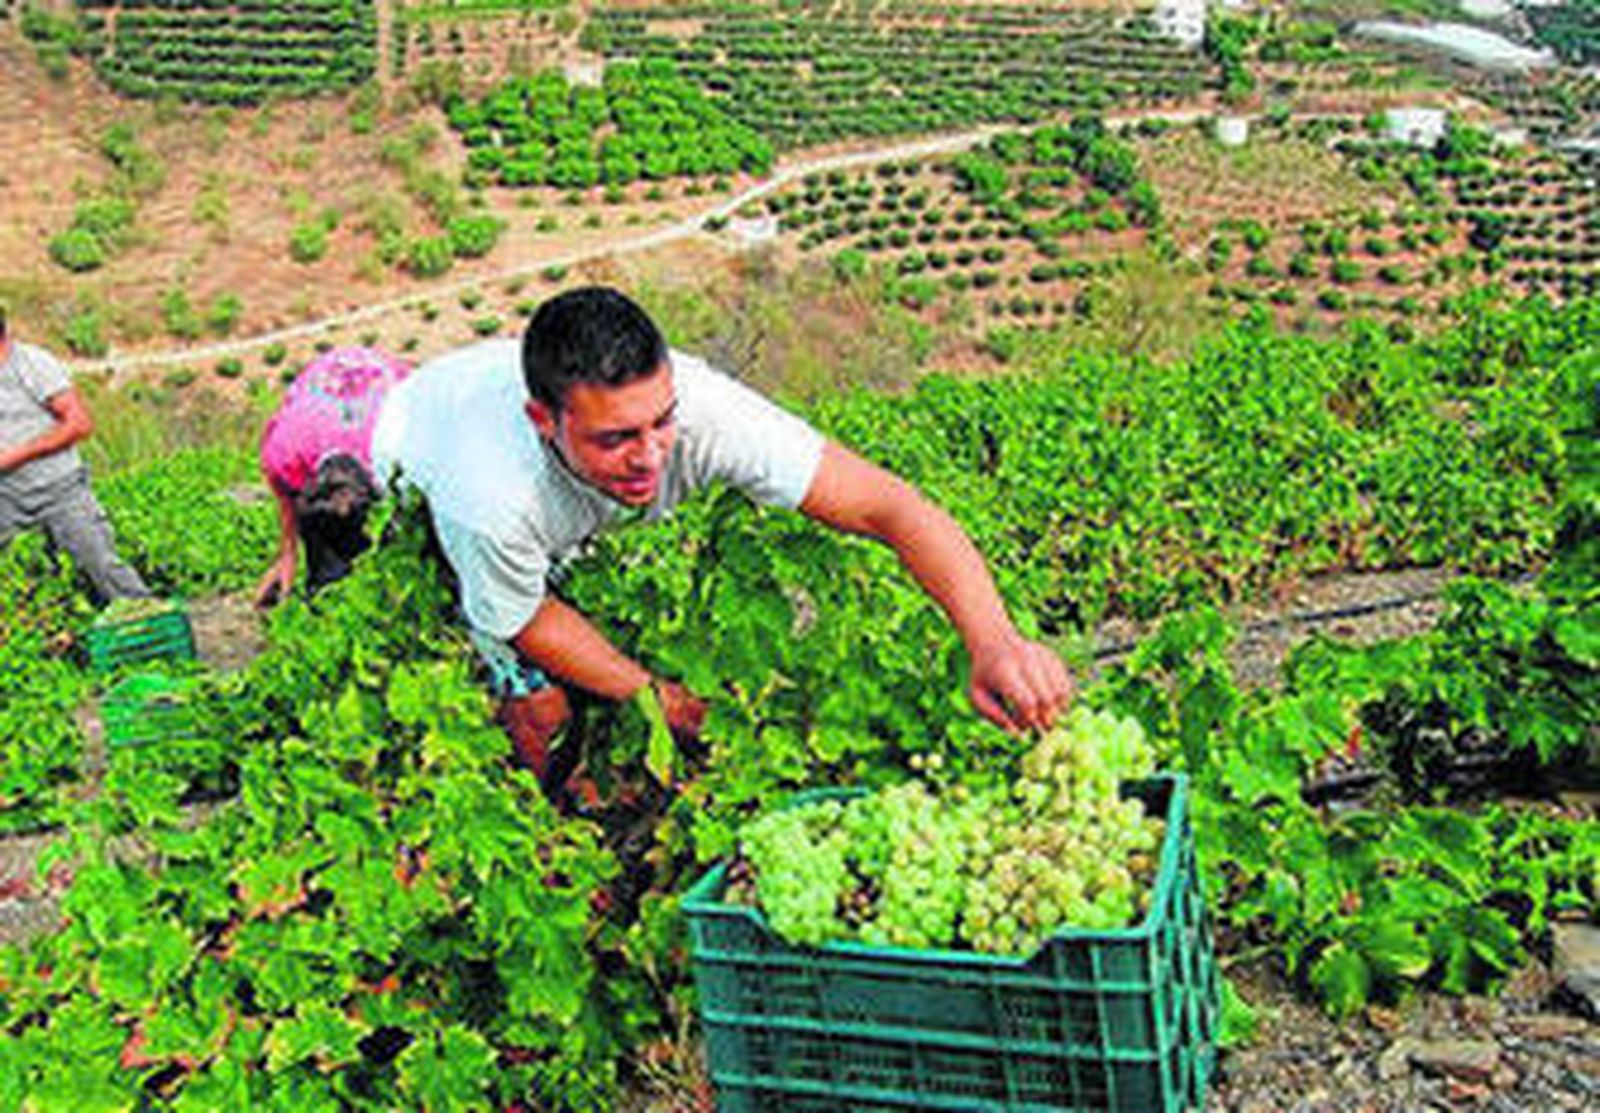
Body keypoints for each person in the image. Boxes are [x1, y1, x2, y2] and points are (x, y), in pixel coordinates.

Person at [373, 286, 1073, 789]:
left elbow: (888, 506)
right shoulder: (488, 498)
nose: (651, 455)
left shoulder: (705, 416)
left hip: (526, 456)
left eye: (660, 421)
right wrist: (659, 697)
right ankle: (541, 828)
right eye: (616, 438)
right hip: (408, 442)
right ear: (543, 419)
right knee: (540, 705)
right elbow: (524, 615)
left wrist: (994, 639)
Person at [0, 307, 150, 602]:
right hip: (6, 500)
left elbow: (79, 424)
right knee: (21, 584)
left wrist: (15, 456)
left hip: (58, 491)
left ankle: (147, 623)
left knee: (100, 568)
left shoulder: (32, 365)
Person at [255, 346, 409, 606]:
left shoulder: (399, 446)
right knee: (328, 577)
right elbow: (285, 494)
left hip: (384, 381)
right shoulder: (284, 452)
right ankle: (326, 587)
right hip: (323, 391)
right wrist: (288, 555)